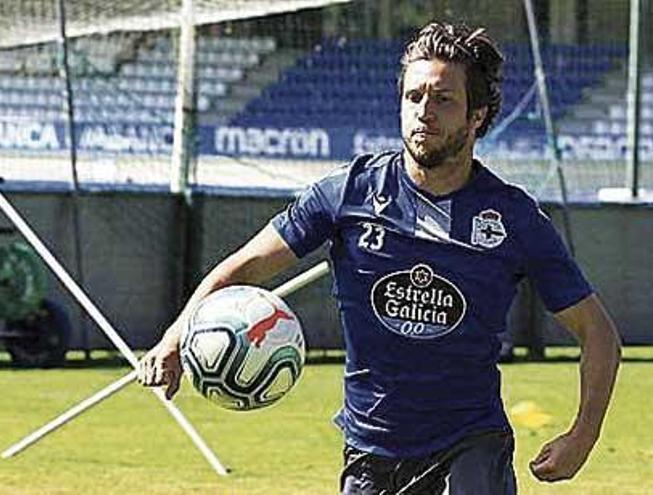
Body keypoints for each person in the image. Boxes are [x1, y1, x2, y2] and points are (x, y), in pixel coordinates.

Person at [138, 22, 621, 493]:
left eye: (443, 99)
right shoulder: (347, 193)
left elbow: (597, 331)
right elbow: (243, 268)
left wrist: (583, 435)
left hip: (470, 445)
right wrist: (175, 338)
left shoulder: (514, 218)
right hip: (370, 452)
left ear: (477, 116)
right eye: (413, 97)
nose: (424, 112)